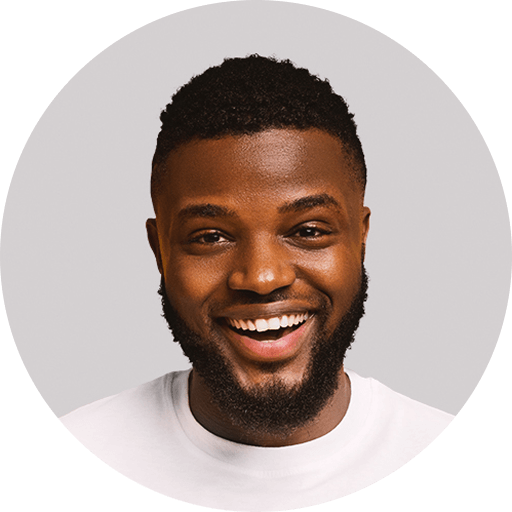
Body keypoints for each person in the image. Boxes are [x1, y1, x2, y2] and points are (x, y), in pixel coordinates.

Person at [60, 55, 454, 509]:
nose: (262, 278)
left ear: (360, 239)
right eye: (210, 237)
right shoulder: (90, 443)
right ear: (160, 251)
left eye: (309, 231)